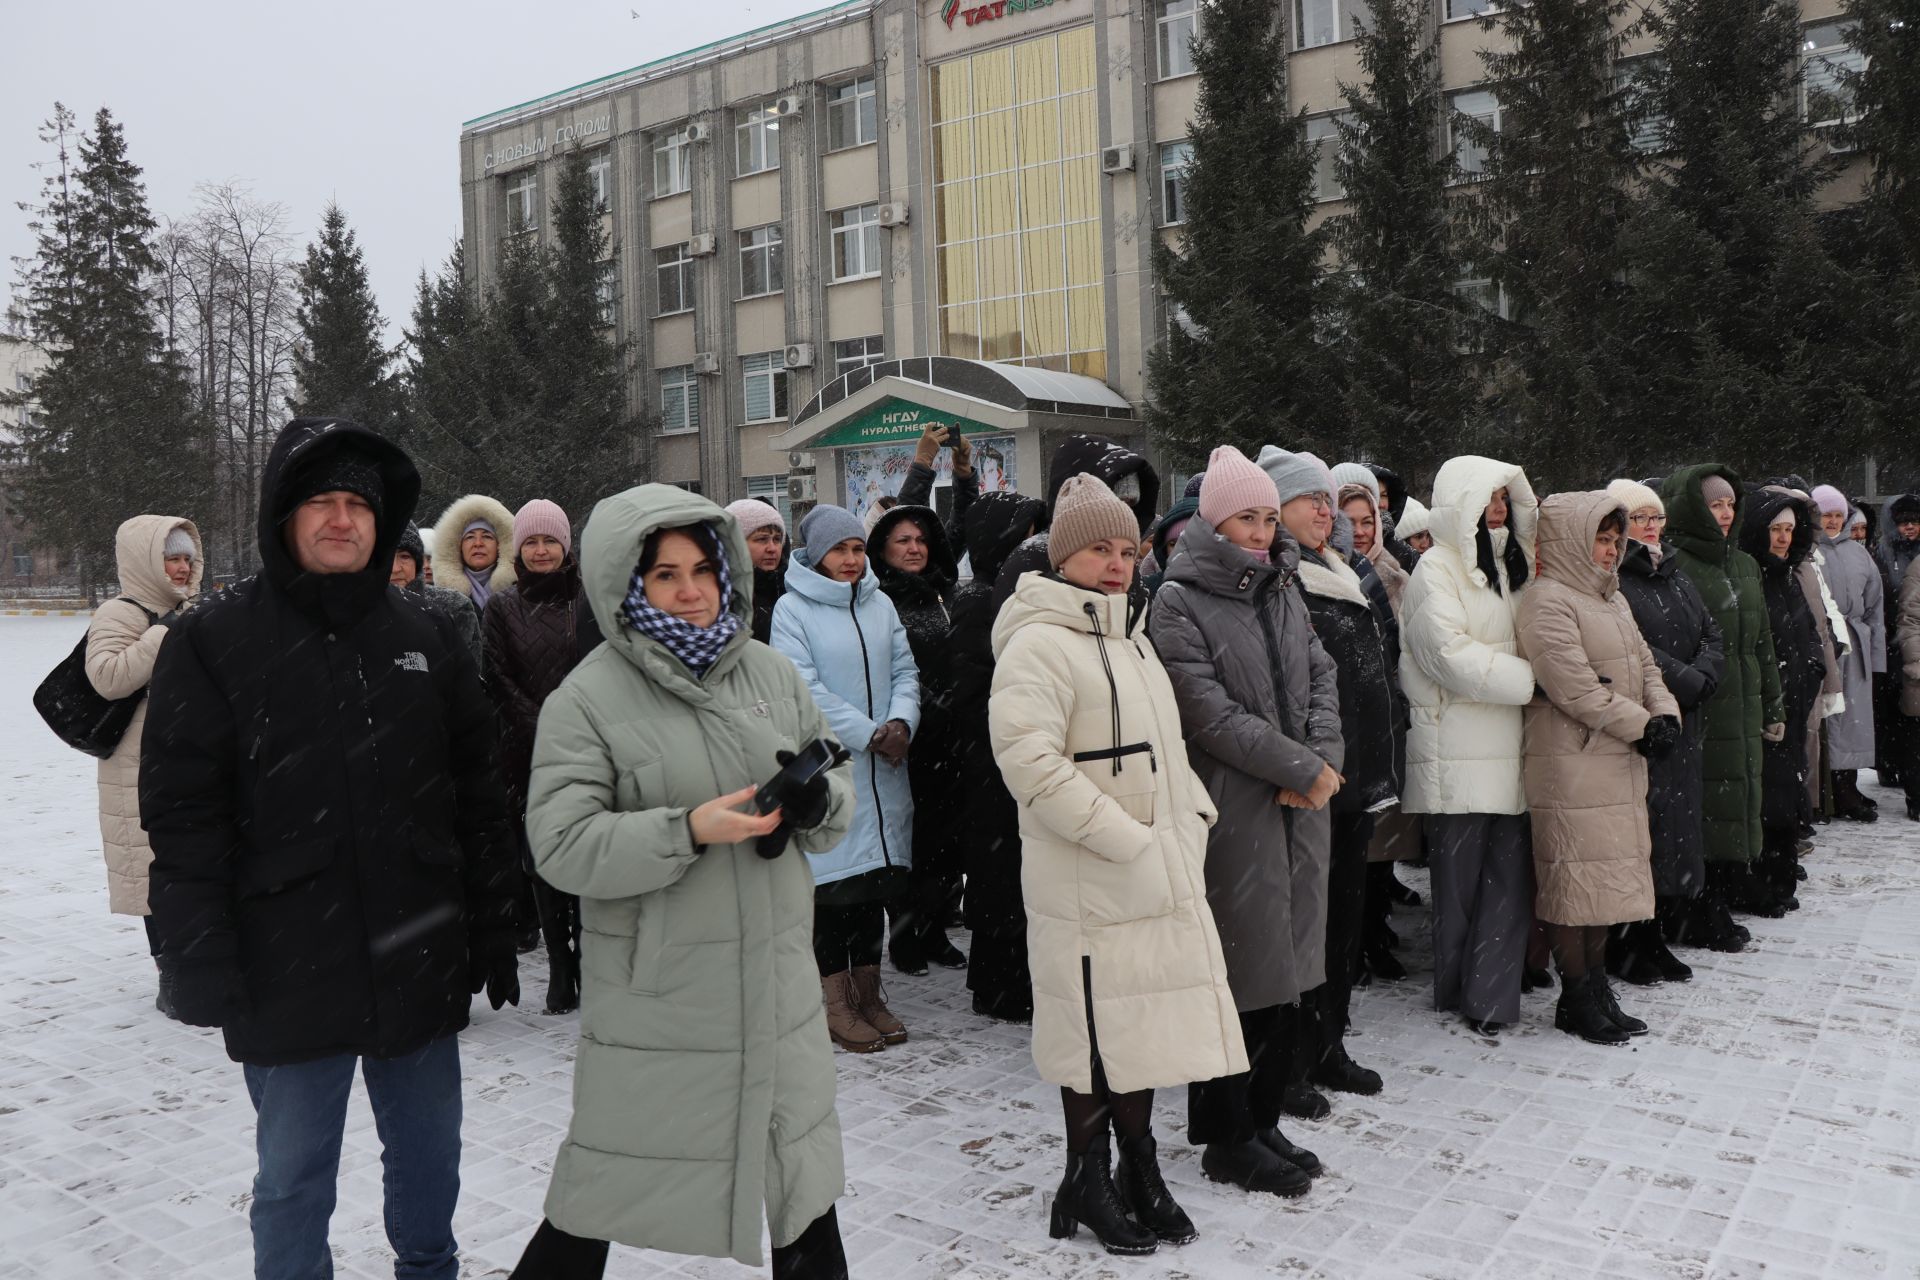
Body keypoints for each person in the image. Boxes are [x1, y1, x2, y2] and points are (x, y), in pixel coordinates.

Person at [141, 418, 521, 1280]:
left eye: (359, 503)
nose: (343, 519)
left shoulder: (426, 636)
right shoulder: (215, 639)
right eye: (322, 501)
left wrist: (495, 921)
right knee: (292, 1183)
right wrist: (193, 949)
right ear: (284, 514)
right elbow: (182, 814)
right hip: (284, 965)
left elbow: (478, 796)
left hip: (416, 951)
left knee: (430, 1167)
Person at [510, 485, 857, 1280]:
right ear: (625, 585)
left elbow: (836, 806)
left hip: (775, 993)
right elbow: (559, 844)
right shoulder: (588, 699)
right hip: (662, 1002)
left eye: (703, 568)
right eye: (665, 575)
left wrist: (816, 801)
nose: (692, 590)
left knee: (801, 1188)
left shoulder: (770, 671)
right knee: (599, 1189)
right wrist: (684, 830)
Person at [990, 474, 1246, 1256]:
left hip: (1153, 871)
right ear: (1064, 556)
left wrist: (1192, 815)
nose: (1116, 563)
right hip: (1089, 881)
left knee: (1138, 1028)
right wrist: (1120, 834)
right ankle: (1088, 1177)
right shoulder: (1038, 641)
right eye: (1098, 549)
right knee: (1092, 1035)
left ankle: (1139, 1169)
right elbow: (1027, 760)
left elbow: (1167, 754)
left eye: (1127, 549)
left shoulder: (1130, 638)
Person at [1151, 446, 1343, 1198]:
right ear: (1213, 520)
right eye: (1247, 517)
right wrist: (1301, 767)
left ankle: (1262, 1119)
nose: (1262, 531)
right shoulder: (1178, 599)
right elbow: (1208, 714)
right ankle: (1226, 1137)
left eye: (1268, 516)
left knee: (1288, 976)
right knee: (1238, 978)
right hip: (1235, 808)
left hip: (1301, 806)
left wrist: (1322, 757)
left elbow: (1320, 671)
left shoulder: (1284, 583)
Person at [1516, 493, 1680, 1044]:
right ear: (1568, 542)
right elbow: (1574, 688)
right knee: (1574, 883)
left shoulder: (1613, 599)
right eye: (1600, 540)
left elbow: (1648, 665)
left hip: (1615, 759)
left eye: (1615, 541)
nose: (1610, 552)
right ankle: (1575, 994)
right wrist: (1642, 726)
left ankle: (1597, 987)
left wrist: (1666, 714)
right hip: (1572, 761)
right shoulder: (1546, 600)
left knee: (1605, 883)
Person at [1398, 455, 1539, 1036]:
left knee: (1508, 876)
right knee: (1458, 885)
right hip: (1458, 750)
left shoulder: (1514, 564)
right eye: (1488, 499)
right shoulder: (1436, 567)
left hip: (1515, 745)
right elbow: (1448, 656)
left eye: (1505, 499)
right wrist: (1534, 681)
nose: (1498, 510)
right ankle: (1457, 986)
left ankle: (1491, 993)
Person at [771, 505, 920, 1052]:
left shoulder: (880, 605)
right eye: (840, 549)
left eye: (858, 549)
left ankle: (869, 994)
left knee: (872, 888)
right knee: (834, 892)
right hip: (834, 767)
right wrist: (869, 734)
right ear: (815, 554)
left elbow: (905, 669)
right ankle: (835, 1004)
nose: (852, 559)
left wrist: (903, 722)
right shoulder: (792, 610)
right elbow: (802, 688)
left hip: (885, 774)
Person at [1283, 455, 1404, 1097]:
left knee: (1341, 921)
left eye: (1326, 501)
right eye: (1309, 500)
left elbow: (1376, 667)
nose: (1325, 512)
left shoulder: (1342, 570)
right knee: (1302, 925)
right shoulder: (1279, 577)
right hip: (1307, 777)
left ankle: (1330, 1041)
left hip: (1353, 776)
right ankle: (1295, 1057)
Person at [1659, 466, 1781, 949]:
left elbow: (1763, 645)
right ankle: (1697, 905)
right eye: (1715, 504)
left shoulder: (1746, 564)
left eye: (1731, 503)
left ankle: (1727, 891)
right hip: (1704, 706)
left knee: (1741, 801)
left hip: (1745, 706)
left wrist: (1773, 703)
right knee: (1705, 809)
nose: (1726, 513)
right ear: (1691, 508)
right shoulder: (1678, 563)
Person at [1607, 478, 1725, 975]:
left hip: (1683, 716)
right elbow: (1631, 646)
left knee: (1676, 828)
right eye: (1640, 520)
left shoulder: (1672, 572)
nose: (1652, 528)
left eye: (1657, 518)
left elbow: (1710, 630)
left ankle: (1660, 930)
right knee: (1643, 831)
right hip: (1647, 719)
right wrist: (1683, 680)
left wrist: (1703, 674)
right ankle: (1632, 940)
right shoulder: (1617, 577)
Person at [86, 514, 202, 1017]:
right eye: (171, 558)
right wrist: (164, 633)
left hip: (195, 758)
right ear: (145, 562)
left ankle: (201, 958)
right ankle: (170, 969)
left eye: (186, 559)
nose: (181, 568)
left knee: (197, 862)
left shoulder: (195, 607)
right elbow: (107, 678)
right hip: (138, 766)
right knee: (153, 872)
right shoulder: (120, 612)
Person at [484, 498, 592, 1014]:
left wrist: (579, 723)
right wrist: (543, 724)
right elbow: (498, 677)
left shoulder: (587, 599)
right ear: (519, 549)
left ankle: (591, 955)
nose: (542, 549)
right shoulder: (503, 606)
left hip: (592, 744)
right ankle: (560, 965)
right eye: (532, 541)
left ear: (565, 546)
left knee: (592, 850)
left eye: (550, 540)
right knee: (544, 858)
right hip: (526, 749)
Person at [950, 490, 1048, 1023]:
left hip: (1012, 752)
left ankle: (1007, 977)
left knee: (1015, 871)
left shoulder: (1015, 595)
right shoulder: (979, 601)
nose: (1035, 539)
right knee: (997, 873)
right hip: (988, 759)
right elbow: (970, 691)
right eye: (1026, 529)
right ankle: (997, 984)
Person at [869, 499, 968, 975]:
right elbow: (886, 672)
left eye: (921, 539)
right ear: (882, 550)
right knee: (906, 843)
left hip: (950, 742)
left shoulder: (941, 592)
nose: (915, 548)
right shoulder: (876, 600)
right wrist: (928, 704)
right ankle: (905, 935)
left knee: (942, 844)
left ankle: (934, 930)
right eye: (902, 541)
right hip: (905, 740)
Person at [1740, 489, 1826, 915]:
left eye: (1789, 530)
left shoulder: (1788, 576)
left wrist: (1809, 675)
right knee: (1764, 800)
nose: (1783, 538)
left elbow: (1811, 638)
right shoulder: (1750, 576)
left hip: (1793, 706)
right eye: (1776, 529)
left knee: (1785, 794)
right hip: (1762, 711)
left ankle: (1780, 877)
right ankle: (1761, 881)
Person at [991, 433, 1161, 621]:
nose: (1122, 512)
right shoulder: (1033, 561)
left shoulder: (1121, 562)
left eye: (1130, 504)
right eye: (1115, 501)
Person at [1811, 486, 1886, 822]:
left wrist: (1876, 657)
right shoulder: (1809, 551)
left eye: (1838, 514)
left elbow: (1874, 608)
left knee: (1854, 722)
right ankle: (1829, 791)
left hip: (1854, 644)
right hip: (1825, 642)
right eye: (1826, 514)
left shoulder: (1859, 554)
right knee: (1830, 720)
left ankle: (1848, 785)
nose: (1833, 521)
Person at [394, 522, 486, 670]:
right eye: (386, 557)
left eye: (405, 556)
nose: (395, 568)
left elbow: (468, 680)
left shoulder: (455, 607)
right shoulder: (355, 610)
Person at [431, 493, 516, 612]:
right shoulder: (440, 598)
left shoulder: (518, 594)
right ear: (458, 546)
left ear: (500, 545)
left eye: (487, 536)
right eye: (470, 537)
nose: (478, 543)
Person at [725, 497, 788, 643]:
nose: (772, 548)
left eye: (777, 539)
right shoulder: (721, 597)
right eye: (762, 539)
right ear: (736, 544)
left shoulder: (792, 587)